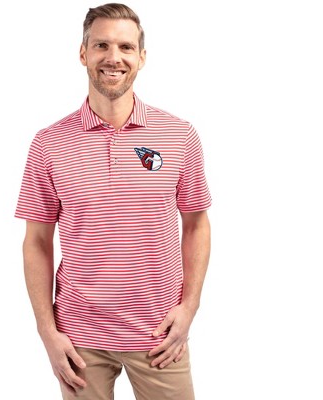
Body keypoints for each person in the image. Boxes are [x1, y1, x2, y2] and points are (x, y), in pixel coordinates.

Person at [15, 3, 212, 399]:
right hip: (78, 338)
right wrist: (47, 331)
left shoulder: (179, 135)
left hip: (159, 334)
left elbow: (196, 225)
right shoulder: (49, 143)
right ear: (83, 53)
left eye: (126, 47)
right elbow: (36, 241)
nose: (113, 57)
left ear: (142, 57)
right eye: (101, 45)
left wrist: (189, 308)